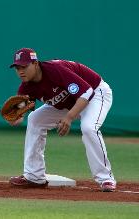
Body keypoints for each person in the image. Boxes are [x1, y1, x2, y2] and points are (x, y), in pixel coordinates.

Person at [6, 48, 116, 192]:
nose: (21, 71)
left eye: (24, 66)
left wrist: (69, 117)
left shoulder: (54, 70)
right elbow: (20, 112)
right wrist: (17, 118)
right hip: (69, 103)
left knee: (89, 127)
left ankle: (106, 178)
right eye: (17, 68)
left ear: (35, 64)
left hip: (95, 94)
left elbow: (87, 92)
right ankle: (34, 176)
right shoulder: (26, 88)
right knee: (35, 119)